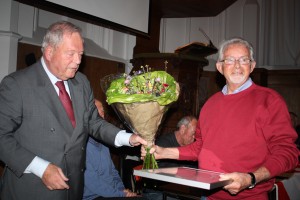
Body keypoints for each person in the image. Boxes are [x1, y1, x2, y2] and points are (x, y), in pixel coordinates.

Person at [0, 21, 147, 200]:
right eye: (71, 54)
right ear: (49, 52)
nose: (78, 61)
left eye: (80, 54)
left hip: (73, 190)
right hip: (31, 189)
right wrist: (41, 168)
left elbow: (94, 122)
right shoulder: (17, 85)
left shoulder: (81, 83)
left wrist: (128, 138)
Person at [143, 37, 299, 200]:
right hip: (208, 196)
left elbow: (288, 153)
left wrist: (251, 178)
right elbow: (200, 148)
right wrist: (163, 152)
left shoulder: (269, 100)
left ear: (252, 66)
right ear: (220, 67)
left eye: (244, 60)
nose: (237, 65)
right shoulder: (210, 104)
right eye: (230, 60)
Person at [83, 99, 138, 199]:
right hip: (94, 196)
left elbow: (112, 171)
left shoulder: (103, 142)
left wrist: (122, 189)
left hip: (113, 193)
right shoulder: (81, 146)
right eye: (96, 111)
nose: (101, 115)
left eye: (102, 111)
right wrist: (121, 194)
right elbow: (93, 183)